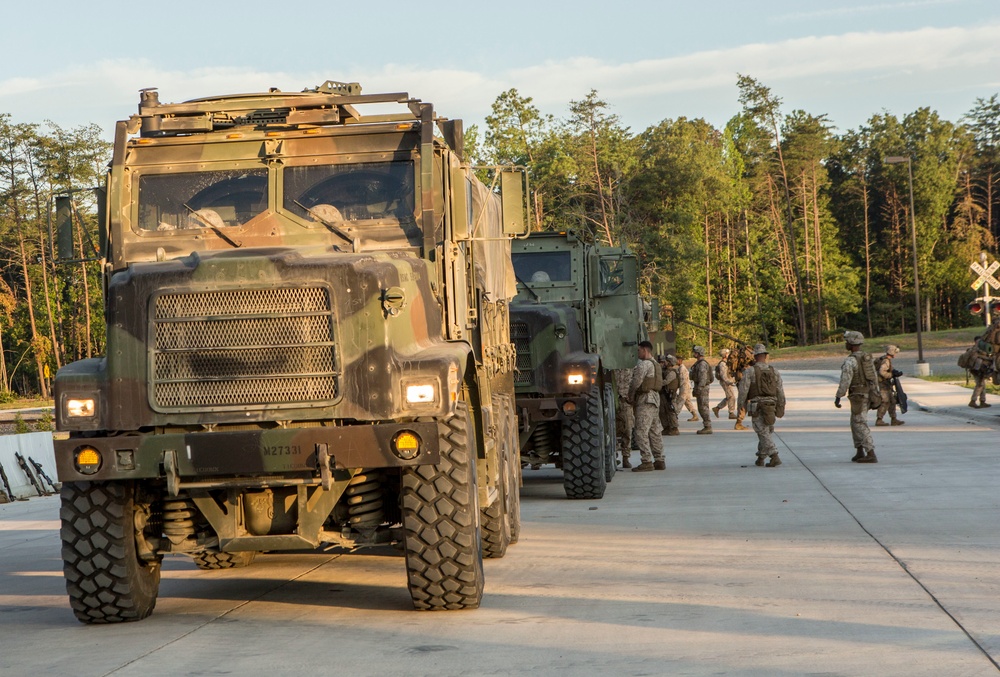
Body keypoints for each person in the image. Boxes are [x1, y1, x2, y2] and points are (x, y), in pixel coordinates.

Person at [834, 330, 881, 464]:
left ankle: (870, 452)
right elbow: (874, 377)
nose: (845, 344)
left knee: (859, 423)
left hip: (858, 396)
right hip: (868, 393)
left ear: (851, 343)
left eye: (847, 342)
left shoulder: (851, 361)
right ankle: (859, 450)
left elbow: (845, 380)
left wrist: (839, 396)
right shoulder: (867, 358)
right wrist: (876, 393)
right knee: (855, 422)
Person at [737, 344, 786, 467]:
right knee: (766, 430)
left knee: (762, 431)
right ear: (765, 356)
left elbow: (743, 390)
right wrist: (781, 405)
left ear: (755, 356)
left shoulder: (750, 371)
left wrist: (741, 405)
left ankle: (774, 456)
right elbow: (780, 390)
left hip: (757, 405)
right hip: (771, 405)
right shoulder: (774, 371)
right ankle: (761, 456)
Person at [628, 341, 665, 471]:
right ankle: (659, 460)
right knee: (655, 431)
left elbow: (636, 382)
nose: (637, 353)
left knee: (641, 431)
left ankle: (647, 461)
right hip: (655, 399)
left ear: (644, 350)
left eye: (639, 350)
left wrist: (630, 396)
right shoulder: (656, 364)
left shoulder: (644, 364)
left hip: (645, 399)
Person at [875, 345, 905, 426]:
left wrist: (895, 372)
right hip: (882, 385)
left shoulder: (884, 359)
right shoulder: (886, 361)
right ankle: (879, 420)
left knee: (892, 401)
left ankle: (894, 419)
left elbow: (889, 369)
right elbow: (882, 372)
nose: (895, 354)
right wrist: (891, 375)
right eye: (895, 352)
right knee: (885, 401)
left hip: (886, 385)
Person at [689, 345, 713, 434]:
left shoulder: (702, 364)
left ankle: (708, 426)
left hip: (702, 388)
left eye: (696, 352)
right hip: (700, 387)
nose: (694, 353)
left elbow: (703, 378)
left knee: (703, 407)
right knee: (701, 407)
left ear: (699, 353)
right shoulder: (698, 363)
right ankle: (706, 425)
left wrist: (699, 388)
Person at [614, 367, 636, 467]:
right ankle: (613, 456)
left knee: (627, 430)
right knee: (612, 430)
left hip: (626, 402)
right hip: (613, 401)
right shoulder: (611, 367)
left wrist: (632, 397)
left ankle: (626, 457)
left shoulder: (632, 367)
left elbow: (637, 382)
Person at [712, 348, 738, 420]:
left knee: (728, 397)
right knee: (731, 397)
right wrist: (730, 381)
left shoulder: (726, 362)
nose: (729, 355)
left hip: (727, 381)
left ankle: (717, 408)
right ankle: (731, 413)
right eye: (727, 353)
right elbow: (723, 376)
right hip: (725, 382)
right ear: (724, 355)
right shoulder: (722, 364)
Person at [969, 337, 994, 409]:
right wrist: (988, 358)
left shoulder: (980, 349)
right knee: (980, 385)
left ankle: (982, 401)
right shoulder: (974, 350)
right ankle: (973, 401)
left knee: (982, 385)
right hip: (976, 370)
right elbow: (976, 357)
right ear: (976, 341)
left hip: (980, 369)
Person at [658, 355, 680, 436]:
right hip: (664, 394)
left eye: (666, 361)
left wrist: (656, 384)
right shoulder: (665, 370)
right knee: (662, 411)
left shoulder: (672, 372)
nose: (664, 362)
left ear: (670, 362)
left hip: (670, 395)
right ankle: (666, 427)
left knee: (671, 412)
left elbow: (666, 382)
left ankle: (674, 428)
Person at [675, 356, 698, 421]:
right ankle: (694, 415)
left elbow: (682, 380)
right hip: (686, 387)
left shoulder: (682, 368)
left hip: (684, 387)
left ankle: (674, 415)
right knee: (687, 402)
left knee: (680, 401)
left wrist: (677, 386)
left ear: (679, 360)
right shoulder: (680, 368)